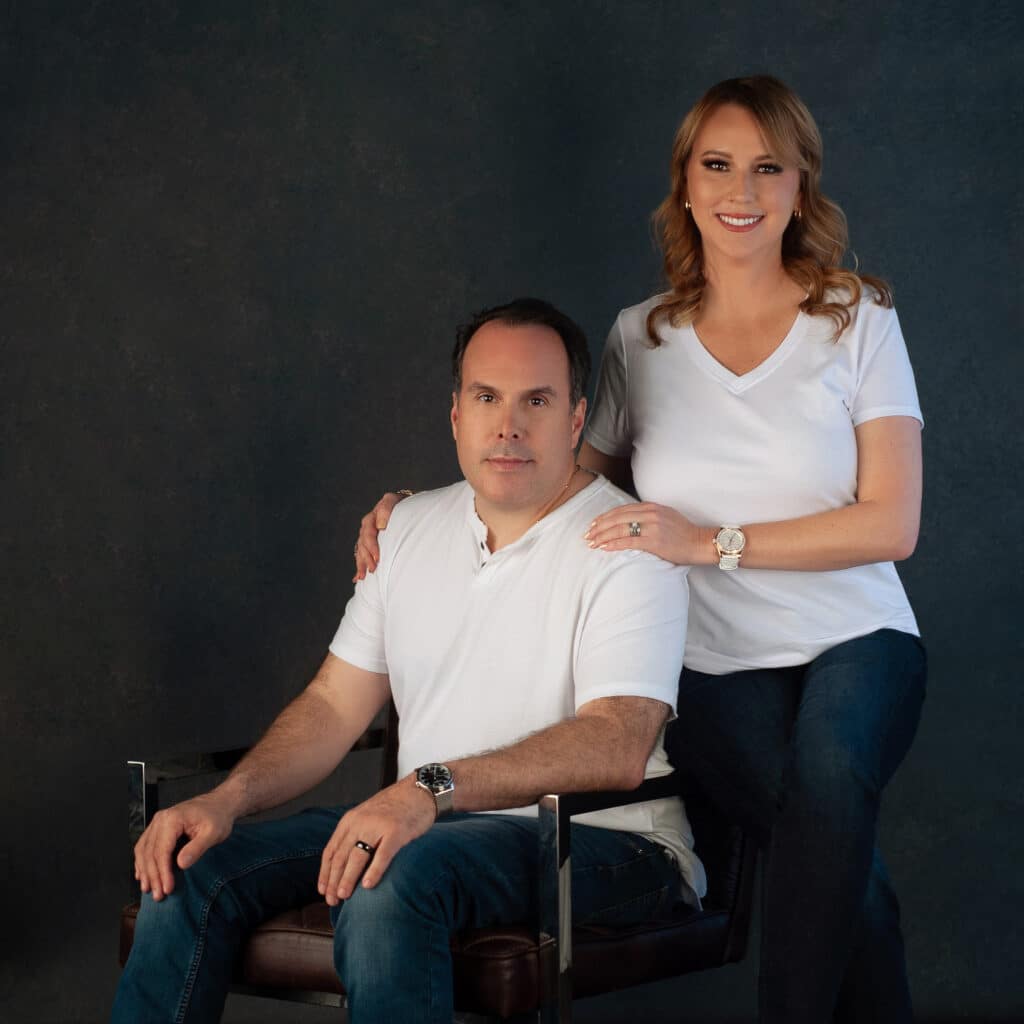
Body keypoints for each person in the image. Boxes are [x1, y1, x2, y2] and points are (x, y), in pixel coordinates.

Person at [355, 78, 926, 1023]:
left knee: (829, 782)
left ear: (799, 186)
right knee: (834, 851)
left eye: (766, 167)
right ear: (688, 185)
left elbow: (890, 524)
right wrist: (416, 511)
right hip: (707, 666)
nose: (740, 190)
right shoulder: (642, 335)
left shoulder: (857, 318)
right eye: (717, 165)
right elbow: (548, 485)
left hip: (857, 637)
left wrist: (710, 541)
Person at [113, 297, 703, 1024]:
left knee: (387, 875)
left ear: (577, 420)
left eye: (537, 401)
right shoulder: (406, 529)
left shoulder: (627, 545)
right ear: (456, 413)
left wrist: (427, 787)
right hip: (431, 824)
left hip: (606, 841)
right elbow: (332, 707)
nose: (508, 425)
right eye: (487, 397)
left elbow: (617, 743)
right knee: (193, 867)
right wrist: (226, 802)